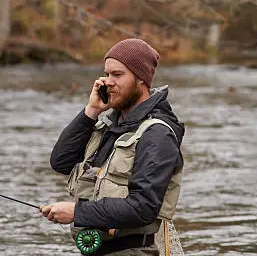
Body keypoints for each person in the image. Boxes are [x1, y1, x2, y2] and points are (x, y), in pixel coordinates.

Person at [41, 38, 185, 256]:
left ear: (141, 79)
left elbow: (144, 206)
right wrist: (91, 111)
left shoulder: (157, 133)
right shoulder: (109, 125)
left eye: (117, 75)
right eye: (107, 74)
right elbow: (61, 162)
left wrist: (77, 212)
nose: (108, 81)